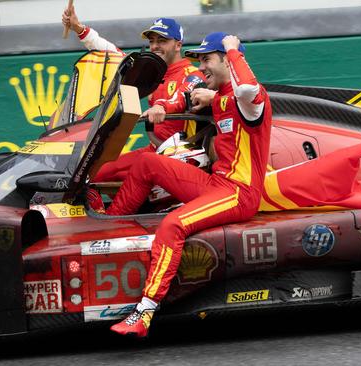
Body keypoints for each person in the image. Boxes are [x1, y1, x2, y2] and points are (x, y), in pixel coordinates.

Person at [105, 32, 272, 338]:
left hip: (239, 193)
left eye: (208, 59)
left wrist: (234, 49)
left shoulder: (252, 97)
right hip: (216, 183)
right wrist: (162, 109)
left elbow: (246, 88)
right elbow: (183, 97)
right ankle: (110, 226)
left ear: (227, 60)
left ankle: (144, 312)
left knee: (172, 225)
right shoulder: (216, 93)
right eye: (199, 59)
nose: (202, 66)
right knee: (147, 162)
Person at [62, 7, 206, 184]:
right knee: (92, 171)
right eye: (152, 41)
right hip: (154, 150)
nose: (155, 46)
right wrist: (79, 28)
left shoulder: (192, 74)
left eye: (162, 41)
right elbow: (113, 54)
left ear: (178, 45)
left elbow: (180, 97)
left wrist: (161, 106)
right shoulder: (151, 72)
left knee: (115, 178)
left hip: (178, 156)